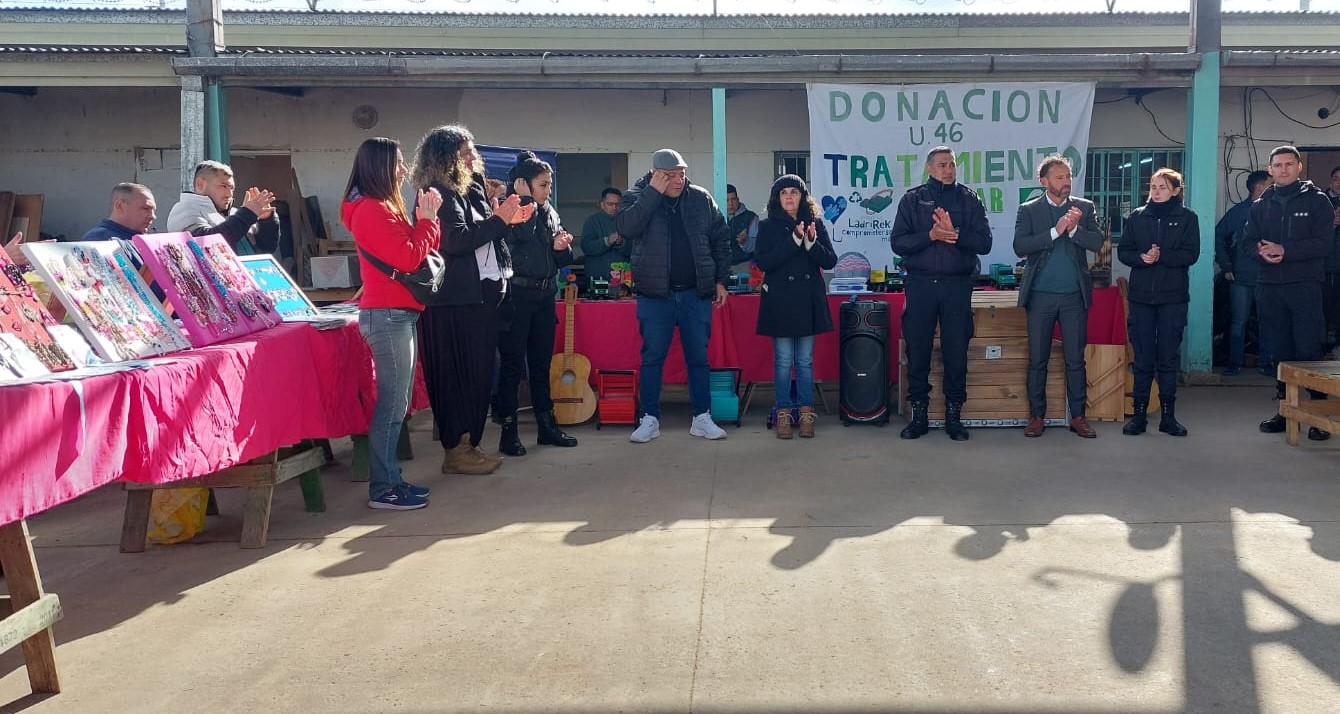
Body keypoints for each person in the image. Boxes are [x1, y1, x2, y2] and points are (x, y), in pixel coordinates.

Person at [412, 125, 535, 473]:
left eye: (471, 151)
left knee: (479, 375)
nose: (472, 157)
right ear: (443, 158)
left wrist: (507, 220)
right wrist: (499, 221)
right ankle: (457, 448)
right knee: (459, 376)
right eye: (464, 153)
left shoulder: (468, 189)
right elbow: (456, 242)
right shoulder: (437, 192)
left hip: (480, 300)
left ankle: (471, 445)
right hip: (455, 302)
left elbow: (485, 234)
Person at [341, 137, 443, 510]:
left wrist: (425, 225)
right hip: (388, 315)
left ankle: (391, 481)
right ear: (380, 166)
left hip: (393, 312)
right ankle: (383, 488)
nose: (403, 170)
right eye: (398, 163)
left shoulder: (377, 206)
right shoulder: (371, 209)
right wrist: (428, 222)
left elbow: (411, 252)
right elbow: (411, 258)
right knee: (391, 405)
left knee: (395, 403)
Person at [617, 148, 732, 443]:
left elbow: (720, 239)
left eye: (681, 173)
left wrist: (721, 280)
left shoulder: (700, 198)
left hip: (696, 294)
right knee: (652, 357)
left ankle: (702, 417)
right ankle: (649, 418)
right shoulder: (637, 196)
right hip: (656, 296)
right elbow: (627, 228)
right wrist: (652, 194)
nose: (678, 180)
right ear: (656, 174)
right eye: (670, 175)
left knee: (698, 357)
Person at [890, 146, 993, 441]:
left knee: (956, 351)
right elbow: (898, 243)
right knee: (918, 350)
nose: (948, 169)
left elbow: (984, 242)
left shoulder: (969, 199)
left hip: (956, 286)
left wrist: (956, 234)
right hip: (920, 285)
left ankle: (953, 417)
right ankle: (919, 416)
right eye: (942, 164)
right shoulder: (912, 199)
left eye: (952, 164)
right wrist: (931, 236)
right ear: (929, 168)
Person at [1014, 154, 1105, 439]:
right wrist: (1056, 231)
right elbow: (1020, 246)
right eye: (1059, 177)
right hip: (1040, 296)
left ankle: (1078, 417)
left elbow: (1097, 242)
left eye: (1068, 177)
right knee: (1038, 359)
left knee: (1075, 360)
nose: (1066, 182)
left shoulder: (1084, 207)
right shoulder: (1029, 210)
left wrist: (1075, 228)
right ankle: (1036, 416)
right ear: (1044, 182)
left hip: (1073, 297)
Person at [495, 151, 579, 457]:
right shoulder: (512, 209)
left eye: (549, 185)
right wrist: (525, 200)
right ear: (525, 184)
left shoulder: (550, 211)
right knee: (513, 366)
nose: (548, 191)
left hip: (545, 296)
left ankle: (547, 426)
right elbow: (521, 239)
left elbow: (563, 258)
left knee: (542, 366)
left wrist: (561, 248)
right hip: (517, 296)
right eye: (543, 185)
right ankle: (508, 432)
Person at [1251, 146, 1336, 441]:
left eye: (1289, 164)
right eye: (1278, 165)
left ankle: (1317, 416)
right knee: (1279, 352)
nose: (1284, 169)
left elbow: (1324, 244)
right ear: (1270, 169)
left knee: (1308, 351)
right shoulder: (1262, 204)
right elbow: (1249, 242)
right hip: (1270, 287)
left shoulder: (1318, 201)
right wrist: (1263, 253)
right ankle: (1286, 411)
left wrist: (1286, 251)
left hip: (1305, 286)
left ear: (1299, 168)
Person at [1117, 168, 1201, 437]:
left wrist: (1161, 256)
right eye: (1153, 186)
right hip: (1141, 297)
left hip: (1172, 297)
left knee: (1167, 356)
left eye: (1163, 187)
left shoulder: (1187, 218)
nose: (1156, 191)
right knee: (1142, 356)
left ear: (1176, 190)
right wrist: (1141, 258)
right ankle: (1139, 415)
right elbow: (1124, 251)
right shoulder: (1138, 216)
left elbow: (1191, 254)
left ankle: (1168, 416)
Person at [754, 174, 838, 439]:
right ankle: (783, 412)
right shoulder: (767, 226)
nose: (789, 197)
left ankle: (806, 413)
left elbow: (831, 260)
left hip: (807, 301)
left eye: (794, 192)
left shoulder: (816, 224)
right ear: (776, 199)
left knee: (804, 361)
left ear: (803, 196)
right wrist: (793, 242)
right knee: (782, 361)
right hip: (780, 301)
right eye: (783, 193)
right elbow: (764, 262)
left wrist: (811, 243)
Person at [1215, 170, 1272, 377]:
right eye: (1270, 183)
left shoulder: (1276, 210)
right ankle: (1234, 364)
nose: (1274, 187)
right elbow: (1218, 236)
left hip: (1269, 277)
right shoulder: (1239, 212)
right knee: (1238, 321)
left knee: (1268, 322)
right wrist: (1226, 265)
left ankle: (1267, 364)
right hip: (1241, 277)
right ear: (1259, 187)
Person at [165, 160, 281, 254]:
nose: (229, 194)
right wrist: (247, 214)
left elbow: (265, 249)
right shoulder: (184, 209)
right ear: (200, 184)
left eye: (231, 188)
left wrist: (266, 221)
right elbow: (206, 245)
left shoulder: (236, 213)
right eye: (223, 186)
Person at [580, 188, 630, 290]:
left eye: (617, 204)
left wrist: (622, 244)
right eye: (610, 204)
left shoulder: (627, 221)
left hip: (623, 281)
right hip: (596, 279)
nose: (614, 207)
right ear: (602, 204)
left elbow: (636, 249)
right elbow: (587, 247)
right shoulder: (592, 221)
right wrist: (607, 241)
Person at [80, 183, 157, 241]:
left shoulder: (139, 239)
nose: (153, 216)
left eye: (153, 210)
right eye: (146, 208)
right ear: (119, 206)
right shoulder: (99, 239)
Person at [1323, 166, 1340, 353]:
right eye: (1336, 178)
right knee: (1322, 307)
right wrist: (1330, 224)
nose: (1339, 183)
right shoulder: (1320, 201)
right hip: (1322, 266)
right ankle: (1322, 346)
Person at [725, 184, 759, 271]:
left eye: (733, 199)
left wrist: (744, 242)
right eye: (726, 200)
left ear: (738, 199)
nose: (730, 203)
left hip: (745, 266)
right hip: (722, 267)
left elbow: (756, 246)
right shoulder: (716, 218)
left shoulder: (751, 217)